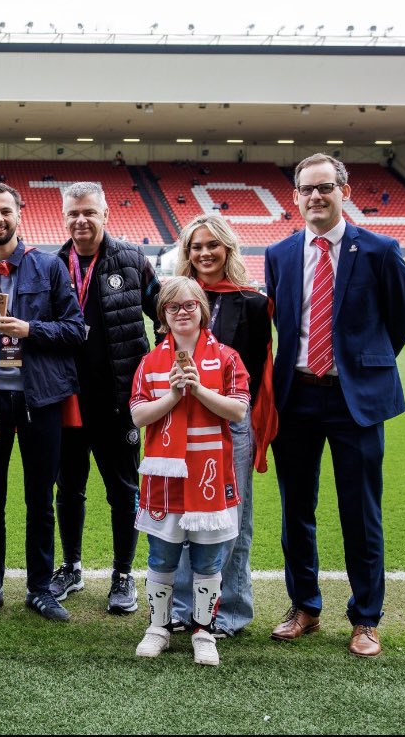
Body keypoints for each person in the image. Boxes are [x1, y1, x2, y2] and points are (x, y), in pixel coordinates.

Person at [265, 153, 405, 658]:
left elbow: (398, 325)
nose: (315, 197)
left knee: (360, 511)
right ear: (295, 198)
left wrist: (357, 371)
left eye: (325, 187)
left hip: (356, 401)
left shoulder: (379, 250)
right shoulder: (280, 254)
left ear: (344, 190)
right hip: (297, 395)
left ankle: (366, 618)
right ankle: (304, 606)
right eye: (306, 189)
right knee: (296, 510)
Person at [0, 183, 84, 622]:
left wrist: (30, 330)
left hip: (40, 402)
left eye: (5, 211)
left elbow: (75, 330)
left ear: (19, 215)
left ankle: (40, 589)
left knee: (39, 500)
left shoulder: (48, 268)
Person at [51, 182, 160, 614]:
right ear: (65, 217)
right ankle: (72, 566)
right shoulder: (52, 264)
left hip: (117, 401)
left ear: (105, 215)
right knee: (69, 488)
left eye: (89, 213)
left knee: (123, 488)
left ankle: (122, 574)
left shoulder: (133, 260)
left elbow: (164, 312)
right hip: (66, 398)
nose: (81, 221)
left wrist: (162, 364)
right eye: (74, 214)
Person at [130, 276, 249, 667]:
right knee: (161, 557)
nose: (182, 313)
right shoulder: (150, 362)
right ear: (162, 315)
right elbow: (138, 415)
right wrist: (173, 395)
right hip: (165, 479)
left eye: (189, 305)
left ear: (203, 310)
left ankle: (203, 630)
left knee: (208, 562)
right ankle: (159, 627)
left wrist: (197, 389)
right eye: (173, 307)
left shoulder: (228, 357)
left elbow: (238, 410)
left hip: (209, 478)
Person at [169, 214, 275, 639]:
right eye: (195, 246)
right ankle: (181, 607)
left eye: (212, 244)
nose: (204, 253)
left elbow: (256, 372)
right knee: (180, 516)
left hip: (230, 426)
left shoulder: (251, 302)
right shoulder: (173, 297)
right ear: (186, 252)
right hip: (179, 422)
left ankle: (228, 610)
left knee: (232, 519)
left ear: (227, 248)